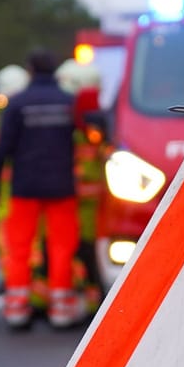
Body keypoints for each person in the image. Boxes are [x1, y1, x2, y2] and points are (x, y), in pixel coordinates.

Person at [0, 51, 80, 330]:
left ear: (29, 71)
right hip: (61, 187)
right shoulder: (69, 103)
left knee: (19, 248)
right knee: (61, 247)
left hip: (24, 187)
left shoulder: (17, 104)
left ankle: (16, 309)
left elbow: (2, 148)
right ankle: (61, 309)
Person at [58, 58, 110, 316]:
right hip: (87, 194)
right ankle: (91, 296)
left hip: (77, 195)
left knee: (80, 247)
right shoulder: (91, 118)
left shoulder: (81, 117)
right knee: (83, 247)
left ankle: (89, 296)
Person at [0, 64, 30, 294]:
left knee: (19, 242)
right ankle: (13, 283)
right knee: (7, 242)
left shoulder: (17, 116)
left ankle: (21, 286)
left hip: (17, 189)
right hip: (6, 190)